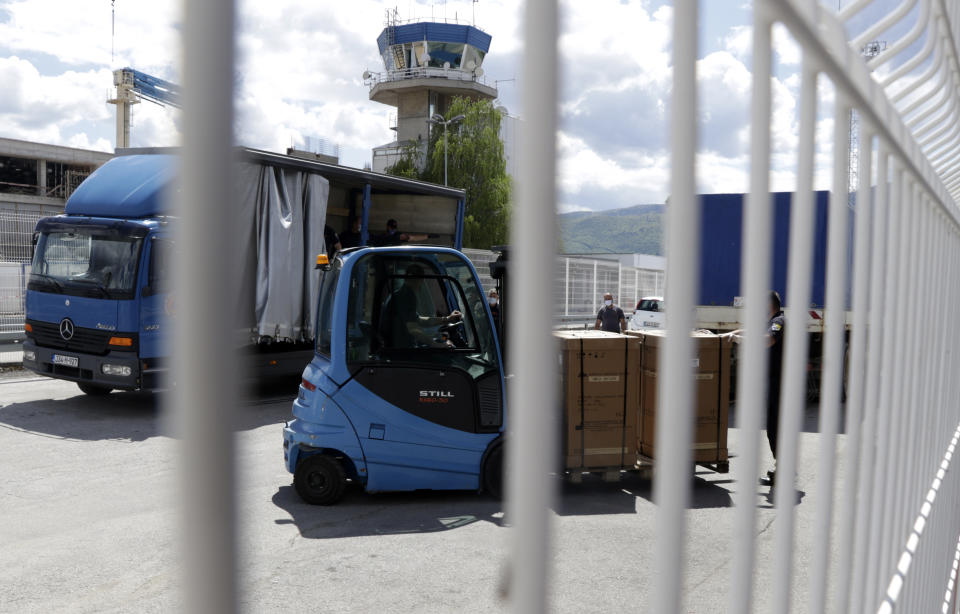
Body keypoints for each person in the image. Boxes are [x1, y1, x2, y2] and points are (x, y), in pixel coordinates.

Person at [730, 290, 785, 487]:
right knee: (773, 426)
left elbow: (768, 339)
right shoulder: (770, 321)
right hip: (771, 380)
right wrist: (735, 333)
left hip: (779, 381)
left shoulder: (779, 321)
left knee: (775, 426)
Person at [381, 263, 462, 348]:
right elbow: (413, 329)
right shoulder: (407, 296)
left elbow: (418, 320)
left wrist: (446, 319)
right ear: (419, 280)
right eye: (422, 280)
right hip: (402, 351)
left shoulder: (400, 294)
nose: (421, 283)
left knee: (441, 338)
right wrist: (436, 344)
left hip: (399, 346)